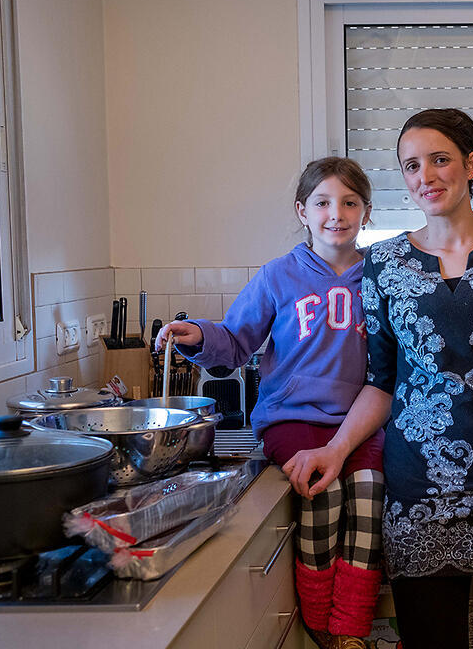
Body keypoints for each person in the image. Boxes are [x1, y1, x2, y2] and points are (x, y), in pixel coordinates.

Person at [292, 108, 473, 649]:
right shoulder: (383, 264)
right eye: (410, 166)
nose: (425, 176)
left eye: (439, 160)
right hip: (421, 486)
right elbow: (382, 381)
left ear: (470, 165)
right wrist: (335, 450)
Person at [155, 158, 383, 649]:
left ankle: (351, 627)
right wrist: (198, 334)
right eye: (322, 202)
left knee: (369, 494)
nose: (336, 213)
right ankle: (321, 623)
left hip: (360, 422)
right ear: (303, 211)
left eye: (349, 202)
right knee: (325, 495)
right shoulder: (278, 276)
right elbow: (236, 339)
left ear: (367, 212)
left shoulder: (383, 277)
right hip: (292, 418)